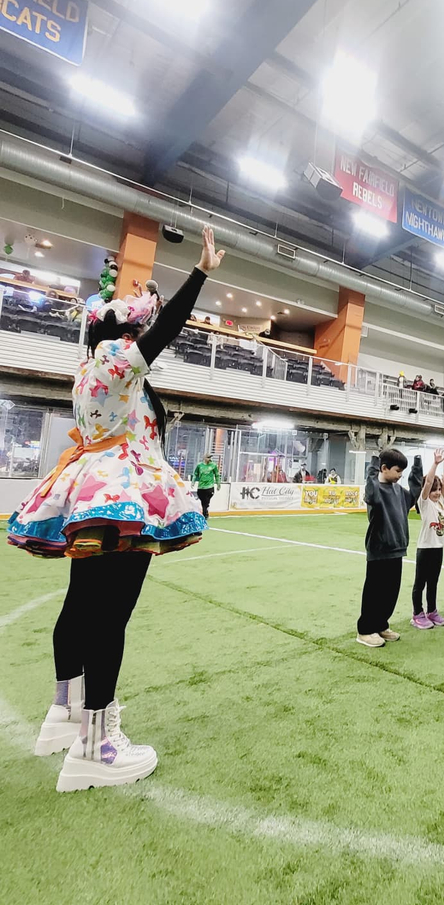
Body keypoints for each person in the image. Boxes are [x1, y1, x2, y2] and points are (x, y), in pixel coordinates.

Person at [9, 226, 224, 792]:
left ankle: (67, 713)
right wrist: (199, 273)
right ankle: (96, 745)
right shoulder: (116, 360)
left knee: (83, 604)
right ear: (127, 329)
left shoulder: (88, 366)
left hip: (95, 488)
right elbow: (167, 330)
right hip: (123, 490)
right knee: (109, 614)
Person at [356, 448, 423, 648]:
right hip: (378, 550)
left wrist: (417, 467)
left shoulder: (399, 491)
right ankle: (365, 629)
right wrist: (373, 466)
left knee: (390, 592)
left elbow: (414, 494)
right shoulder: (375, 490)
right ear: (383, 468)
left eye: (403, 471)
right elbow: (370, 494)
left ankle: (381, 624)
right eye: (397, 471)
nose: (400, 475)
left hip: (397, 549)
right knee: (374, 592)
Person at [411, 448, 444, 629]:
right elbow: (429, 481)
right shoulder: (425, 502)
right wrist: (435, 463)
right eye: (434, 490)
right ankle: (417, 614)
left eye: (438, 490)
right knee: (420, 583)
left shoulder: (440, 503)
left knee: (433, 582)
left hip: (438, 548)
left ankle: (432, 611)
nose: (437, 492)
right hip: (425, 548)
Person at [191, 453, 221, 520]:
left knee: (206, 501)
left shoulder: (213, 465)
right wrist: (193, 481)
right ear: (204, 458)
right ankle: (205, 512)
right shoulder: (199, 465)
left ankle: (205, 514)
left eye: (210, 457)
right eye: (208, 457)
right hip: (201, 487)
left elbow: (217, 475)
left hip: (209, 487)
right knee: (203, 501)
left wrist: (218, 483)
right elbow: (195, 474)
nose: (209, 459)